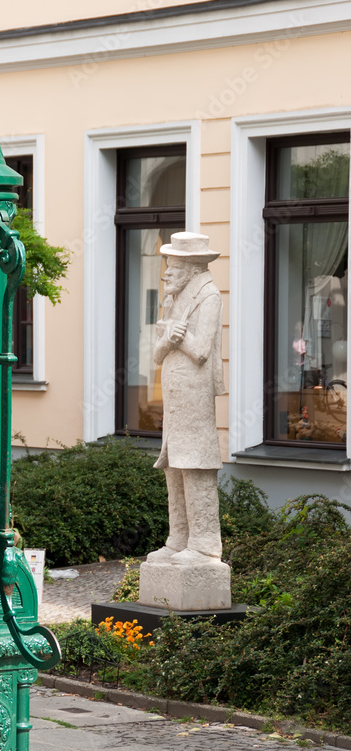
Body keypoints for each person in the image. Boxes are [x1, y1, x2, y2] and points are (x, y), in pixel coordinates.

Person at [146, 232, 225, 566]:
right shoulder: (174, 298)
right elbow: (157, 355)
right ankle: (178, 539)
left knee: (195, 466)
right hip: (176, 402)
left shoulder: (208, 296)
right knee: (174, 467)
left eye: (173, 267)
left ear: (192, 269)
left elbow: (201, 351)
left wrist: (180, 334)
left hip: (194, 399)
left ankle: (205, 545)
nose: (166, 274)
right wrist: (168, 338)